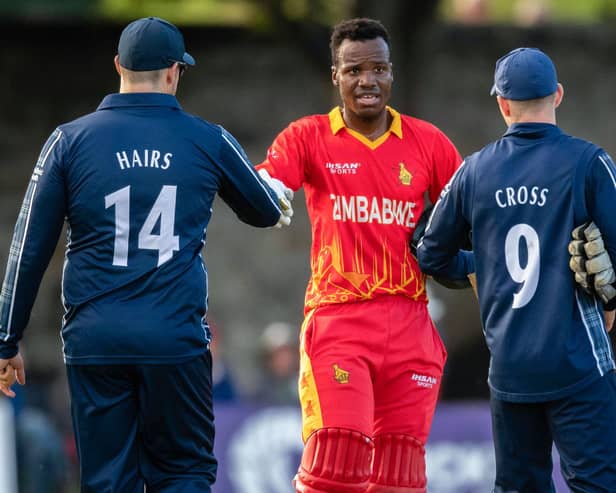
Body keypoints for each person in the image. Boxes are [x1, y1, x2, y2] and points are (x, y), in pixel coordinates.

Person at [0, 16, 293, 492]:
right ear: (175, 72)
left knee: (108, 480)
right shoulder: (208, 139)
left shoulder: (68, 141)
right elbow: (262, 210)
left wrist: (6, 340)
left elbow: (28, 246)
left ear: (118, 65)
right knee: (184, 472)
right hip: (174, 339)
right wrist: (276, 191)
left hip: (96, 340)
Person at [257, 18, 462, 493]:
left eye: (378, 69)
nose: (367, 80)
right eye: (354, 71)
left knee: (401, 477)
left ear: (391, 74)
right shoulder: (308, 137)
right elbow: (267, 186)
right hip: (340, 320)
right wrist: (263, 192)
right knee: (336, 463)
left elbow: (474, 219)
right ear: (336, 76)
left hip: (412, 321)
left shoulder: (429, 143)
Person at [417, 47, 616, 492]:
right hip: (577, 361)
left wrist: (480, 265)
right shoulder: (589, 163)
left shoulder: (473, 172)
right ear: (558, 95)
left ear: (503, 104)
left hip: (509, 370)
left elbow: (430, 254)